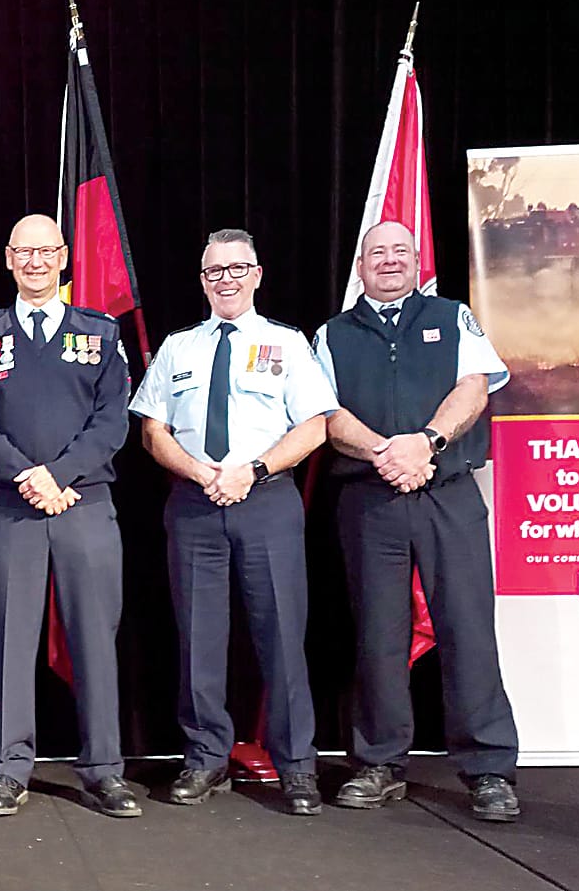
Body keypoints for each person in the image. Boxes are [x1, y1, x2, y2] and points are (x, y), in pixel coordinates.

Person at [312, 218, 521, 823]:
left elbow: (475, 387)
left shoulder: (452, 316)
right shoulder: (332, 334)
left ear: (416, 260)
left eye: (400, 251)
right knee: (379, 634)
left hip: (448, 492)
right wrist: (388, 451)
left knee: (467, 628)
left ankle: (489, 769)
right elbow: (325, 414)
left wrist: (425, 443)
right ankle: (379, 763)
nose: (389, 261)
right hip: (370, 499)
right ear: (360, 266)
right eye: (377, 253)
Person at [129, 228, 335, 816]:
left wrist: (255, 468)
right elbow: (152, 429)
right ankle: (205, 759)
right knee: (199, 639)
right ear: (202, 281)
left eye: (236, 269)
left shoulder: (288, 344)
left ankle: (296, 766)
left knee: (281, 636)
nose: (226, 279)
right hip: (194, 505)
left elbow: (315, 425)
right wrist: (197, 471)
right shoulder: (178, 348)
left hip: (266, 501)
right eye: (214, 271)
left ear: (257, 274)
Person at [0, 213, 139, 819]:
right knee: (7, 638)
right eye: (23, 251)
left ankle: (104, 769)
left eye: (46, 251)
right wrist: (27, 477)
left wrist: (58, 475)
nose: (35, 261)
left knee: (94, 636)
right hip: (12, 509)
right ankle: (8, 769)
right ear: (8, 259)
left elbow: (114, 420)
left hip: (85, 505)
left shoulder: (101, 333)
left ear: (64, 257)